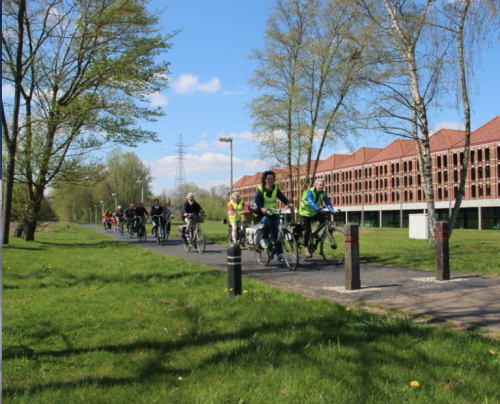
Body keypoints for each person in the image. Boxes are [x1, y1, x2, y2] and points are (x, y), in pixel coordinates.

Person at [254, 170, 294, 262]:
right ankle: (263, 238)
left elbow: (282, 197)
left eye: (272, 179)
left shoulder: (275, 189)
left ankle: (279, 254)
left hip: (272, 213)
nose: (271, 180)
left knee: (277, 233)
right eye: (268, 179)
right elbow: (257, 200)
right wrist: (261, 208)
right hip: (261, 214)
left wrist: (288, 203)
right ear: (265, 180)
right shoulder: (260, 189)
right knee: (267, 222)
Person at [299, 178, 335, 258]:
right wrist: (318, 209)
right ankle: (306, 249)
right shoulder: (309, 192)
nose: (321, 187)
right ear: (315, 185)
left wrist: (332, 210)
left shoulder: (323, 192)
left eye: (322, 185)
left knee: (323, 219)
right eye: (320, 185)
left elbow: (327, 202)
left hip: (314, 211)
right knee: (308, 230)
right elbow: (310, 201)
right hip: (305, 212)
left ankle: (315, 234)